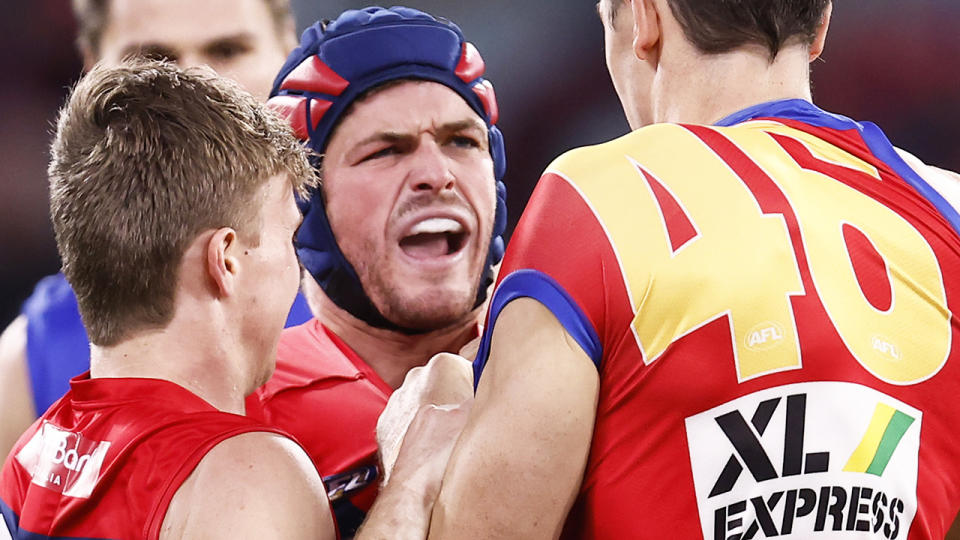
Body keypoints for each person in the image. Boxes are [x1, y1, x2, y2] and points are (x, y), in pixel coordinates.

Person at [381, 0, 960, 538]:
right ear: (820, 27)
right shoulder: (949, 209)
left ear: (644, 19)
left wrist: (414, 462)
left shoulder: (597, 196)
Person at [0, 59, 463, 540]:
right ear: (226, 260)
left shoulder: (31, 459)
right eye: (289, 237)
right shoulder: (244, 474)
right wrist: (411, 483)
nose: (296, 266)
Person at [0, 0, 309, 458]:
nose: (197, 90)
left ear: (290, 59)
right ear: (91, 74)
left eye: (227, 50)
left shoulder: (405, 304)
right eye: (154, 61)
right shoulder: (28, 359)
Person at [244, 6, 507, 537]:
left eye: (462, 142)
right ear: (304, 203)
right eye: (386, 151)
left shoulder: (598, 364)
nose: (436, 175)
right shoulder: (239, 421)